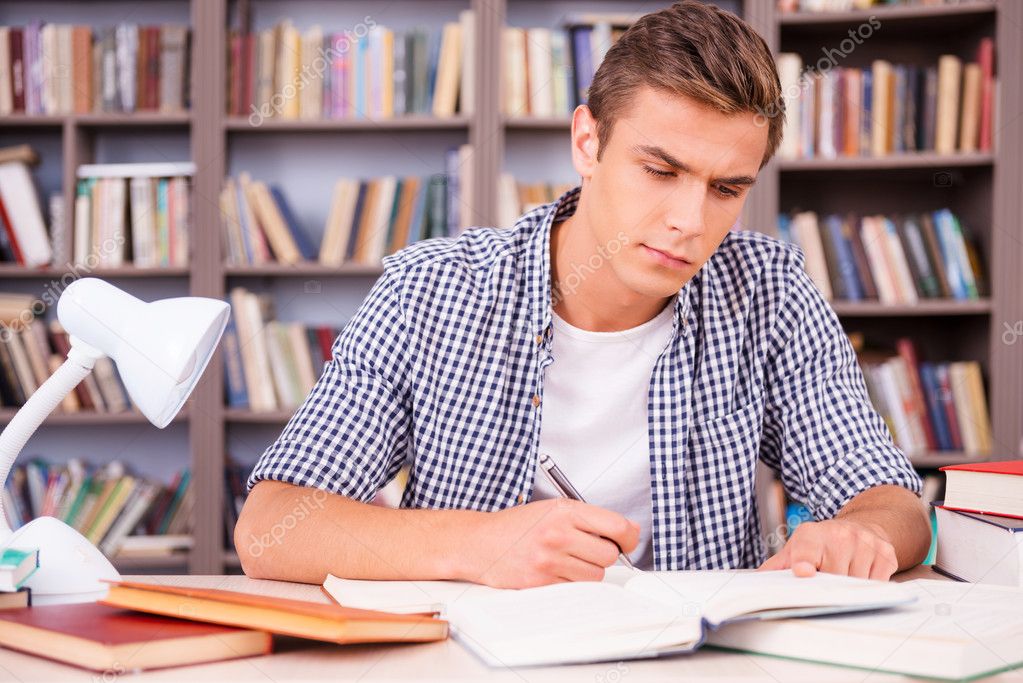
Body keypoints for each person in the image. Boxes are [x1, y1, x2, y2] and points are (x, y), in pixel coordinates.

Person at [235, 0, 931, 587]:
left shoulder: (767, 289)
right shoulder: (431, 290)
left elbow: (891, 500)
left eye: (725, 189)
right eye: (660, 170)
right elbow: (270, 526)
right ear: (586, 142)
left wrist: (856, 535)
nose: (689, 222)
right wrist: (477, 546)